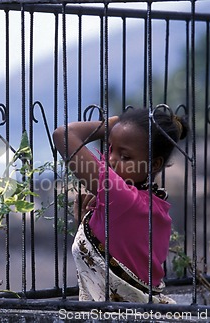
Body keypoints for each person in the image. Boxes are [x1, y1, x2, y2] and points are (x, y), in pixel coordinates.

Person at [52, 107, 188, 303]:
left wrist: (113, 123)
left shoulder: (122, 198)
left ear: (155, 164)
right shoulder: (151, 204)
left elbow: (63, 135)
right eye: (110, 149)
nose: (111, 160)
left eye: (125, 157)